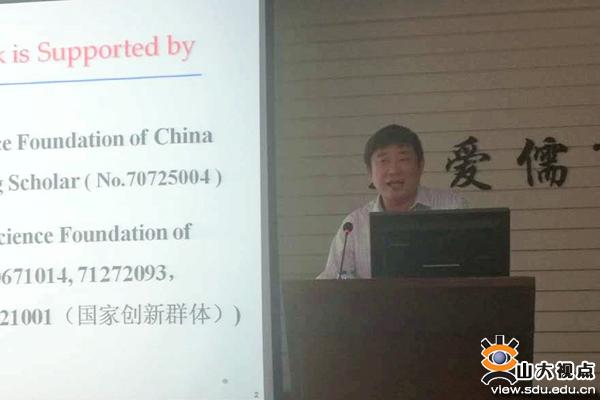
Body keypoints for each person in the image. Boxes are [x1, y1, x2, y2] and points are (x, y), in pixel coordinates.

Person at [317, 124, 467, 279]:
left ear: (420, 165)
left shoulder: (451, 207)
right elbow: (330, 282)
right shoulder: (354, 225)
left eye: (403, 159)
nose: (394, 170)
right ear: (370, 172)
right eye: (383, 161)